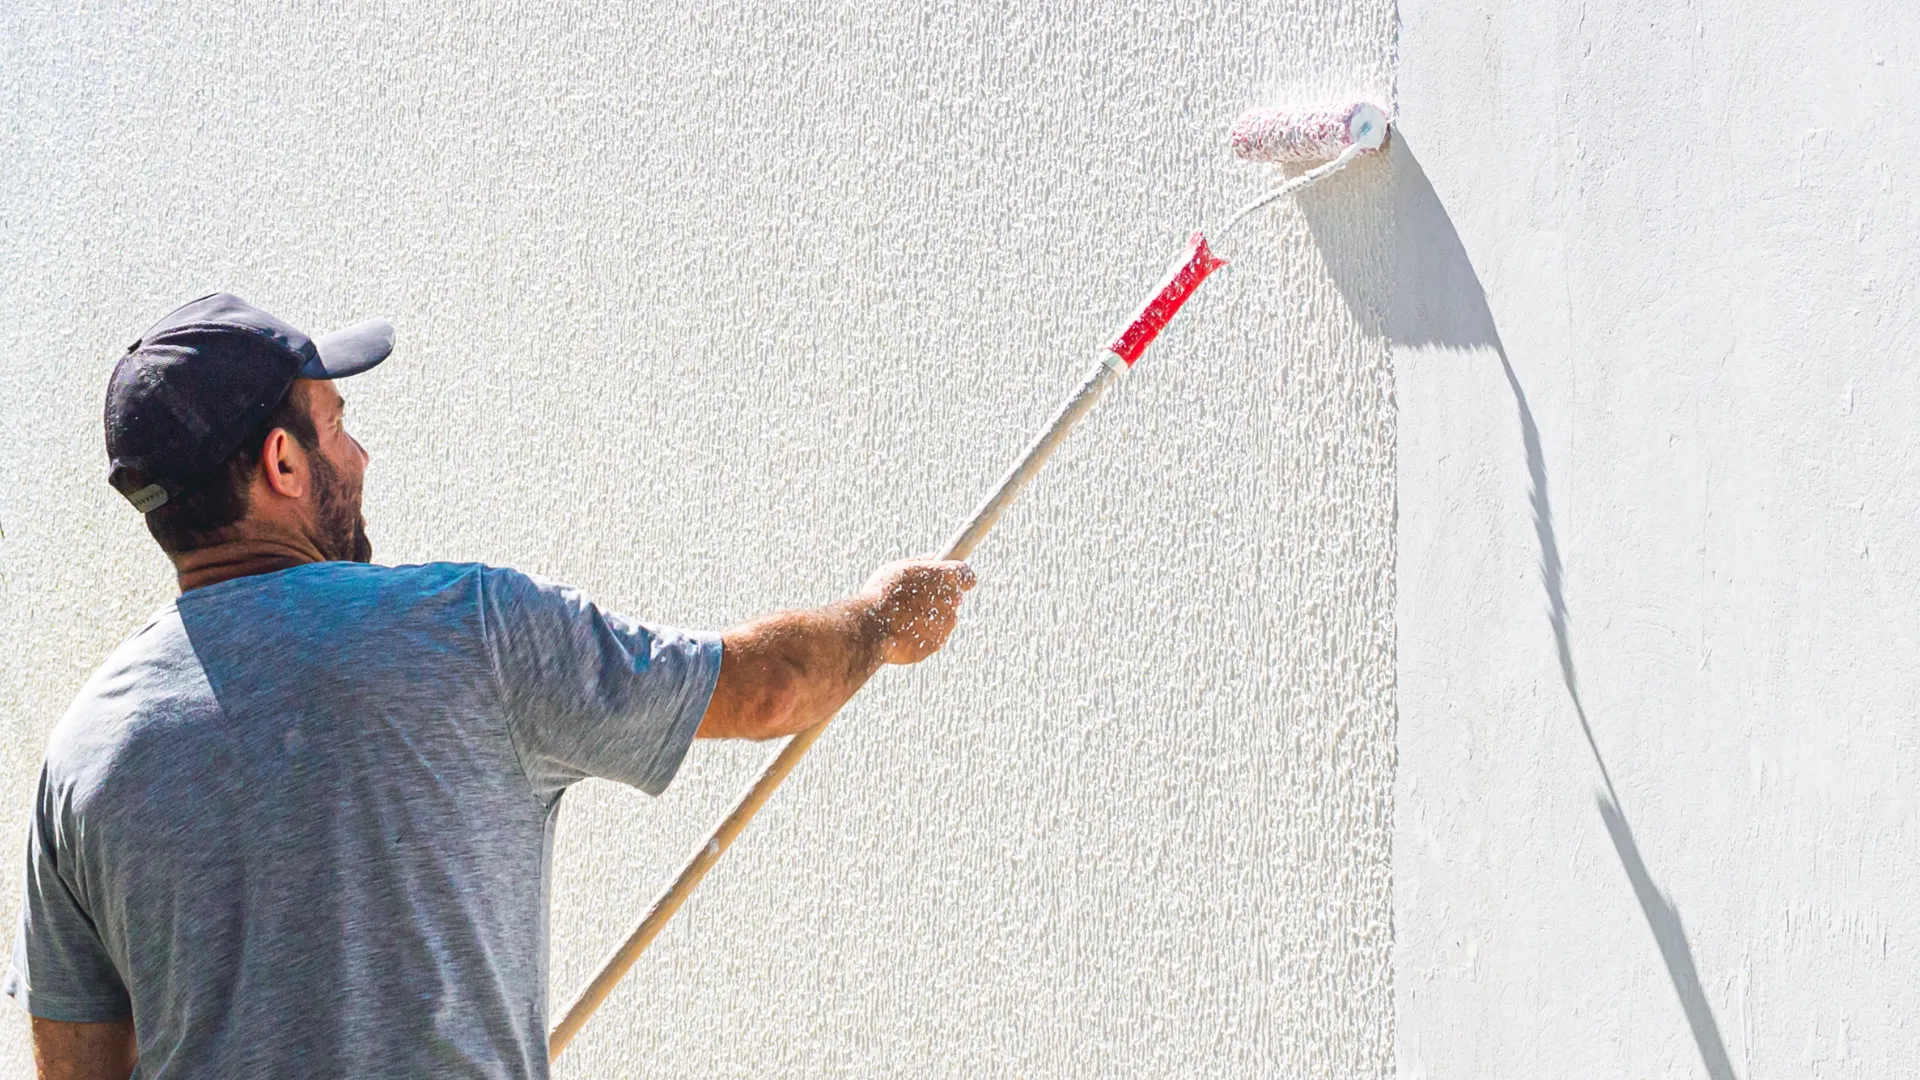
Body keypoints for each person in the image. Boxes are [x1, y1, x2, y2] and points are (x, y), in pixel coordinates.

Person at [6, 294, 974, 1079]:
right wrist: (885, 620)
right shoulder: (467, 628)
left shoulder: (84, 752)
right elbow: (773, 692)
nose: (360, 453)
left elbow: (78, 1069)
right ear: (283, 461)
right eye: (337, 424)